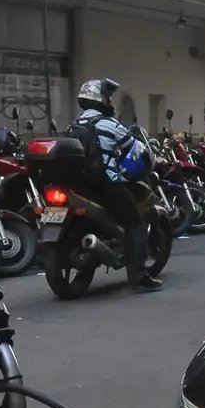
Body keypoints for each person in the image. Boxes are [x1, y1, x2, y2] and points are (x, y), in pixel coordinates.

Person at [69, 78, 159, 292]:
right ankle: (139, 276)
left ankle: (88, 262)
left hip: (80, 187)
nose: (110, 102)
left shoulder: (73, 125)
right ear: (100, 99)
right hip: (107, 185)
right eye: (108, 97)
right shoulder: (109, 124)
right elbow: (134, 148)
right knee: (135, 224)